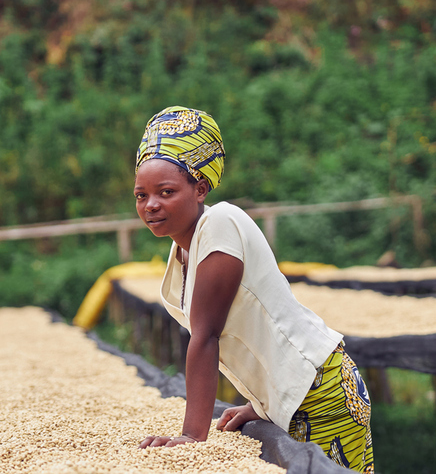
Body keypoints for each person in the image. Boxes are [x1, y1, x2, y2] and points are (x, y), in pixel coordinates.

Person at [134, 106, 374, 472]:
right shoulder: (183, 248)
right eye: (141, 195)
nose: (151, 205)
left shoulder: (221, 224)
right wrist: (261, 405)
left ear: (200, 189)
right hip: (293, 396)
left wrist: (192, 437)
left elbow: (207, 334)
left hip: (321, 392)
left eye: (165, 192)